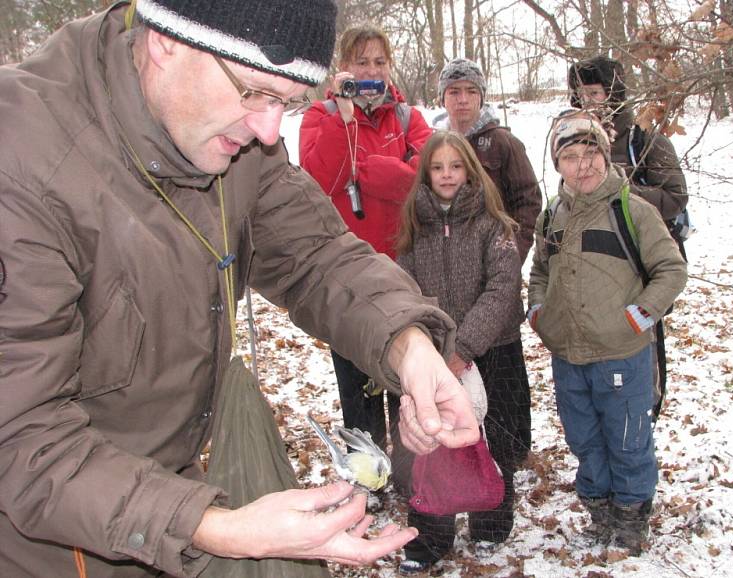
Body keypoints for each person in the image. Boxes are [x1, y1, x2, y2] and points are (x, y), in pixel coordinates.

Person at [0, 2, 480, 577]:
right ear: (166, 41)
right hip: (48, 539)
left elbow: (314, 251)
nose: (270, 129)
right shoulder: (21, 164)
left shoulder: (232, 130)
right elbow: (19, 436)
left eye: (288, 101)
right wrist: (215, 529)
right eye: (253, 92)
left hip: (163, 495)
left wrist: (409, 345)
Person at [527, 111, 687, 555]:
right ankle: (599, 512)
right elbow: (540, 270)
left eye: (592, 152)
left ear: (605, 152)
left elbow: (671, 270)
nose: (584, 165)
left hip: (622, 351)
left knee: (628, 436)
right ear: (557, 165)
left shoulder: (632, 209)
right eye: (571, 156)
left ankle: (631, 518)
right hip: (569, 354)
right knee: (583, 437)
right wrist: (539, 311)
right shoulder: (552, 215)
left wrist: (641, 314)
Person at [299, 25, 432, 495]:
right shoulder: (320, 116)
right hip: (347, 276)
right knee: (355, 388)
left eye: (379, 62)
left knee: (405, 385)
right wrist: (344, 116)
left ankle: (412, 480)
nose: (371, 72)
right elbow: (320, 177)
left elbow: (423, 182)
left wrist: (369, 169)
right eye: (362, 63)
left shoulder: (408, 117)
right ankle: (367, 483)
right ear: (344, 68)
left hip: (403, 272)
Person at [394, 131, 527, 574]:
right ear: (426, 174)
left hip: (494, 348)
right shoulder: (416, 226)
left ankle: (491, 523)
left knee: (497, 439)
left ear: (469, 169)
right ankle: (431, 535)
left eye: (455, 166)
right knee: (430, 441)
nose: (447, 175)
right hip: (434, 353)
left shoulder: (495, 224)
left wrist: (466, 346)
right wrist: (433, 347)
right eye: (438, 167)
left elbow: (502, 288)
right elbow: (404, 290)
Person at [568, 55, 689, 418]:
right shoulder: (573, 140)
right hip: (594, 266)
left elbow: (675, 197)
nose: (589, 101)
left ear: (613, 92)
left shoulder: (644, 140)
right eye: (581, 93)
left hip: (639, 261)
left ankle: (644, 411)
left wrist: (622, 188)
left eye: (595, 92)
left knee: (643, 343)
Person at [433, 57, 541, 466]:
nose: (462, 100)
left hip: (496, 276)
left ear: (482, 96)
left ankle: (513, 450)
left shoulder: (502, 143)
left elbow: (529, 201)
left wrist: (511, 254)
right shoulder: (434, 145)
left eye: (470, 92)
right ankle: (464, 442)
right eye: (454, 92)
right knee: (458, 358)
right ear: (443, 96)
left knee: (504, 364)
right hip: (450, 281)